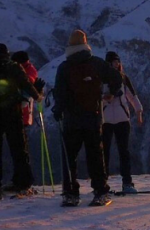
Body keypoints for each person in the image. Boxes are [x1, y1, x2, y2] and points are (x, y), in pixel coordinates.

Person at [52, 30, 122, 207]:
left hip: (71, 119)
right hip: (93, 116)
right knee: (95, 156)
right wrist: (111, 93)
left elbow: (59, 93)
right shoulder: (96, 63)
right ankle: (100, 191)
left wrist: (57, 110)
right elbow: (116, 78)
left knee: (70, 157)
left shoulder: (64, 67)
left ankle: (71, 193)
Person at [0, 43, 42, 200]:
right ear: (7, 54)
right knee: (18, 148)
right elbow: (26, 84)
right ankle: (22, 182)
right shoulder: (14, 67)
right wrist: (38, 96)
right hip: (13, 113)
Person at [101, 51, 144, 194]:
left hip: (121, 119)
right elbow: (96, 97)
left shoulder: (123, 79)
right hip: (106, 120)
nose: (116, 64)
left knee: (123, 151)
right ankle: (103, 183)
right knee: (105, 153)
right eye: (113, 62)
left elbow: (132, 96)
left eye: (117, 61)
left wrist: (138, 110)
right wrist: (104, 99)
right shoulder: (102, 79)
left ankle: (126, 182)